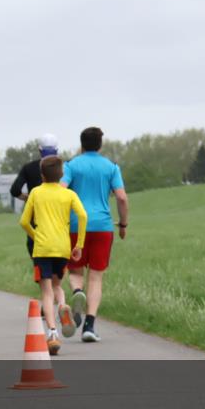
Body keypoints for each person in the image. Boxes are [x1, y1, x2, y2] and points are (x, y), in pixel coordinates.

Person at [61, 126, 129, 343]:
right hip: (102, 226)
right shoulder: (111, 167)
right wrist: (123, 224)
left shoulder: (70, 165)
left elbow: (60, 190)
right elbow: (121, 198)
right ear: (100, 145)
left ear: (81, 144)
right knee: (96, 276)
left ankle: (77, 292)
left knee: (75, 271)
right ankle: (89, 326)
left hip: (75, 225)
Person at [19, 156, 87, 355]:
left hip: (42, 249)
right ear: (61, 174)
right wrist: (79, 244)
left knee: (47, 292)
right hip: (62, 248)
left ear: (42, 175)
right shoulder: (69, 194)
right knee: (57, 286)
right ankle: (63, 306)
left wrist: (37, 236)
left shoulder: (35, 192)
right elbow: (83, 215)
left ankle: (52, 334)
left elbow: (24, 222)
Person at [9, 133, 70, 327]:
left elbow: (14, 189)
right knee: (56, 278)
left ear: (39, 150)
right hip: (59, 232)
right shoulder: (62, 168)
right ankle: (58, 304)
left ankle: (49, 307)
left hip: (37, 231)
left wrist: (28, 199)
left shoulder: (29, 168)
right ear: (57, 150)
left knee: (43, 275)